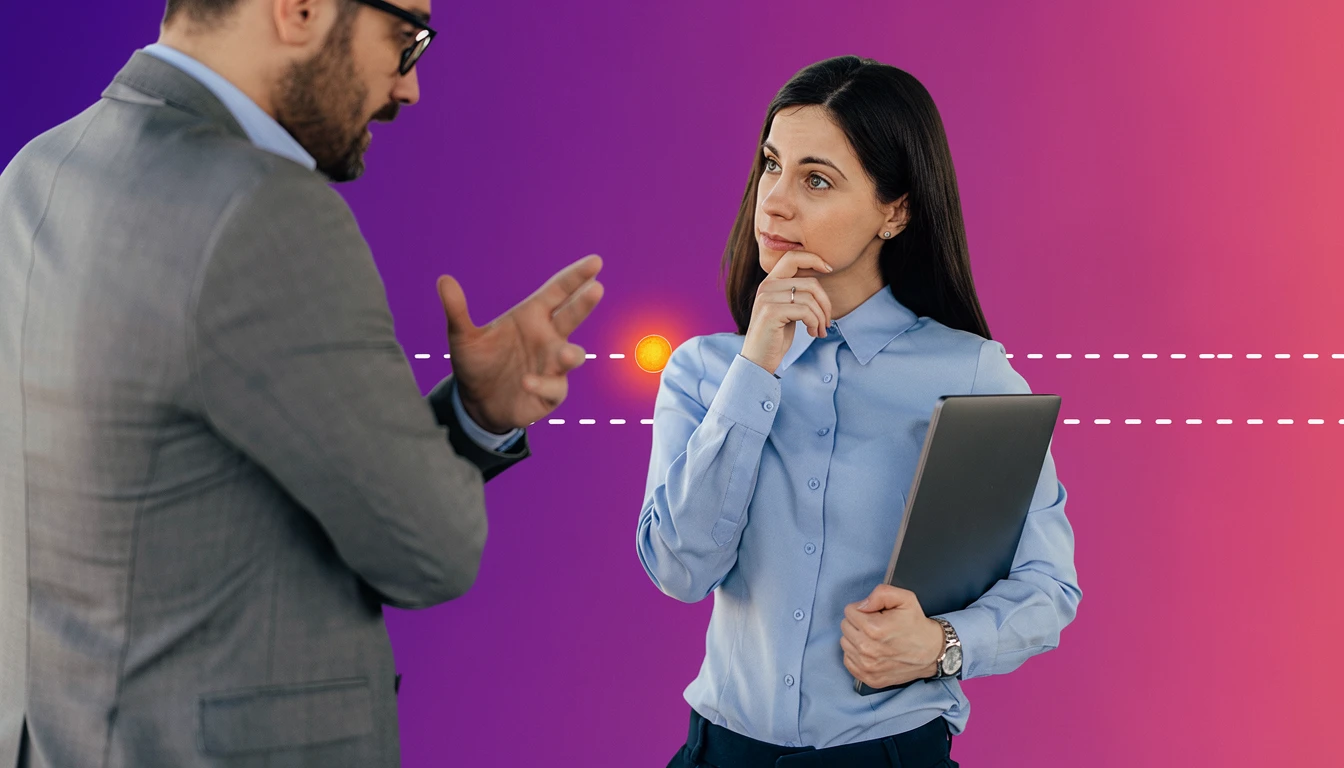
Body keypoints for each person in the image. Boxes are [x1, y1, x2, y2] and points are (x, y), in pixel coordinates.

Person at [0, 0, 603, 765]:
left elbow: (185, 494)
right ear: (302, 10)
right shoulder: (263, 210)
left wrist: (472, 411)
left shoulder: (40, 168)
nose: (408, 88)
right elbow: (430, 549)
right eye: (406, 37)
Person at [638, 56, 1081, 768]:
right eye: (771, 165)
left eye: (816, 179)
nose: (775, 202)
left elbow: (1049, 585)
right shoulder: (707, 372)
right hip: (720, 752)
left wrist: (941, 645)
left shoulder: (967, 373)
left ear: (895, 210)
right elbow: (680, 569)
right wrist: (756, 368)